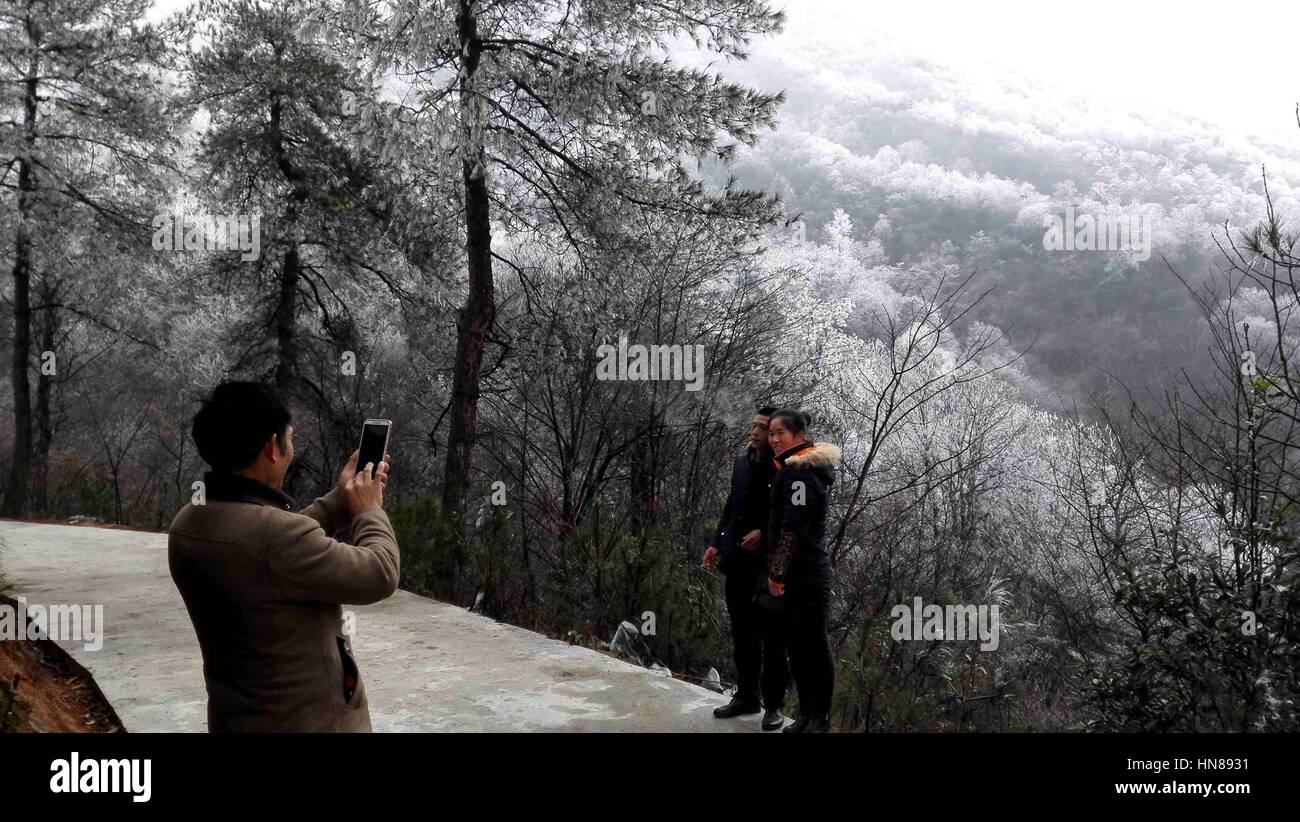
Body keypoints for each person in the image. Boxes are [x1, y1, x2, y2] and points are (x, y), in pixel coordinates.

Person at [168, 381, 400, 732]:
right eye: (289, 439)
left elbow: (267, 551)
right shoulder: (275, 540)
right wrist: (368, 510)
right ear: (272, 447)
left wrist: (342, 498)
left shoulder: (187, 525)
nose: (291, 450)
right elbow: (379, 573)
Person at [704, 405, 788, 731]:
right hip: (737, 562)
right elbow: (732, 504)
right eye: (754, 426)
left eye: (763, 429)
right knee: (742, 635)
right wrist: (715, 542)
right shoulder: (742, 462)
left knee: (772, 638)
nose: (755, 432)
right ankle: (747, 696)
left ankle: (774, 705)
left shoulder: (783, 469)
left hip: (766, 569)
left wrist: (764, 535)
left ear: (776, 434)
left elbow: (788, 520)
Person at [762, 408, 839, 733]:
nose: (774, 439)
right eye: (771, 433)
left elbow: (792, 530)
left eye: (781, 433)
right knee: (797, 646)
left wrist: (776, 574)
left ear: (799, 437)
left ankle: (819, 717)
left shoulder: (798, 473)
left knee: (813, 647)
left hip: (805, 575)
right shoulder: (793, 469)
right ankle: (807, 713)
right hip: (800, 573)